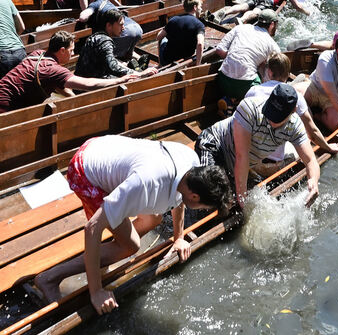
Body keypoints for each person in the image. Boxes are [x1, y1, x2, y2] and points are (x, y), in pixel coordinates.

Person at [33, 134, 232, 313]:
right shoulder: (146, 183)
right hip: (84, 170)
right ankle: (50, 278)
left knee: (153, 218)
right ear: (195, 195)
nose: (202, 210)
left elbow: (179, 200)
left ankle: (111, 247)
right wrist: (97, 292)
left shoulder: (192, 166)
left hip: (104, 147)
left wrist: (178, 238)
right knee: (131, 246)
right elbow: (92, 228)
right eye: (204, 207)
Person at [195, 83, 320, 209]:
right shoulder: (249, 108)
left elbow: (310, 160)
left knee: (254, 200)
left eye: (277, 117)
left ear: (293, 111)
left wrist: (313, 181)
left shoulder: (294, 127)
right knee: (210, 194)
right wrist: (242, 201)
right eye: (270, 112)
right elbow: (242, 156)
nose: (271, 119)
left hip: (235, 164)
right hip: (213, 145)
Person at [0, 31, 155, 117]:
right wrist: (121, 80)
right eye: (71, 50)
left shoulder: (37, 54)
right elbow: (89, 84)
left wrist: (74, 101)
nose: (73, 54)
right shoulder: (54, 70)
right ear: (61, 50)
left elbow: (58, 86)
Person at [213, 9, 280, 101]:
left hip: (223, 81)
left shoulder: (240, 28)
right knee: (264, 67)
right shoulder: (273, 46)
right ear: (272, 24)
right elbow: (273, 72)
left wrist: (234, 56)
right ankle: (235, 101)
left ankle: (231, 100)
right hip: (246, 87)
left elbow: (220, 50)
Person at [75, 7, 137, 79]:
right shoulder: (104, 41)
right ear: (109, 26)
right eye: (120, 24)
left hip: (84, 79)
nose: (123, 28)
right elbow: (112, 67)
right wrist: (136, 73)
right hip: (90, 85)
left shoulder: (98, 37)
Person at [157, 0, 206, 66]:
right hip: (186, 58)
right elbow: (200, 44)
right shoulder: (199, 24)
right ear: (195, 7)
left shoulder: (173, 19)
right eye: (200, 6)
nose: (201, 9)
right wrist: (198, 65)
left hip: (168, 60)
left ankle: (160, 65)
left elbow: (158, 37)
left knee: (162, 39)